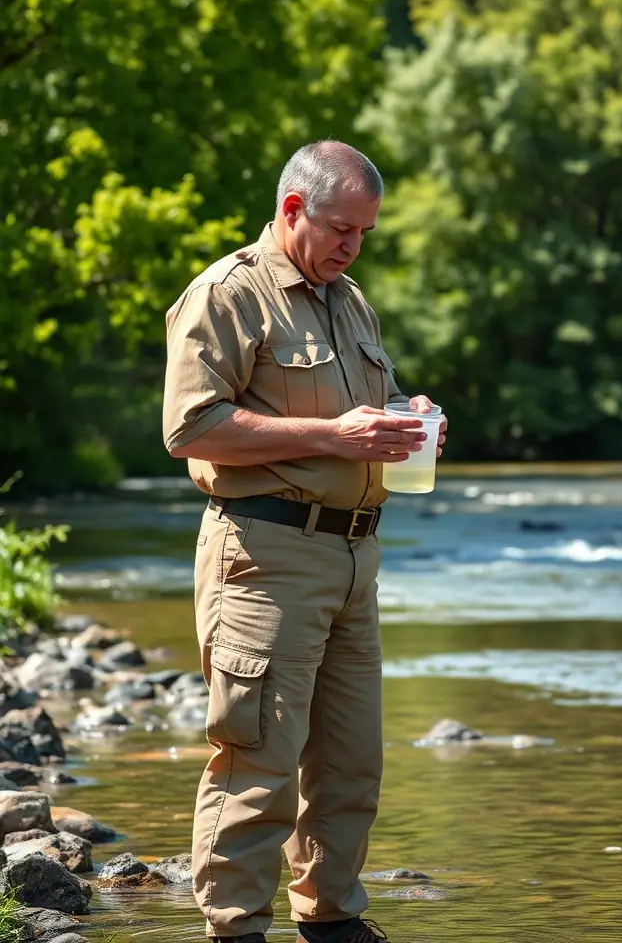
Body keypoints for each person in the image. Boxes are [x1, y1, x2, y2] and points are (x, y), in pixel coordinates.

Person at [162, 141, 447, 943]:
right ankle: (236, 929)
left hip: (355, 559)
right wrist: (334, 434)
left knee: (351, 765)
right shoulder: (228, 294)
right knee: (257, 763)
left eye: (365, 232)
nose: (353, 246)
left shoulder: (351, 300)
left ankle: (330, 922)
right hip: (265, 555)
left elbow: (369, 411)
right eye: (341, 229)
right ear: (292, 210)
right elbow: (188, 429)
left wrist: (407, 414)